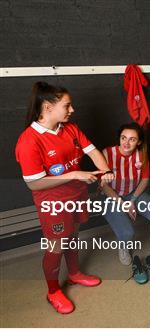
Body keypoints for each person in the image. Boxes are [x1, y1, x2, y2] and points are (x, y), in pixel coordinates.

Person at [15, 82, 115, 314]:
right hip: (53, 203)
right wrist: (75, 174)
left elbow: (92, 151)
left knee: (73, 235)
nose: (72, 110)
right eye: (67, 105)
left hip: (77, 195)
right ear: (48, 107)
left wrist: (106, 171)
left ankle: (74, 273)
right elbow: (34, 182)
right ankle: (52, 291)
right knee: (56, 246)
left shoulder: (69, 128)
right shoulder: (29, 140)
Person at [100, 123, 150, 282]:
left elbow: (145, 180)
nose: (126, 143)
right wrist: (122, 203)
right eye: (123, 138)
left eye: (132, 139)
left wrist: (132, 200)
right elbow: (104, 186)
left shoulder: (141, 155)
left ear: (138, 142)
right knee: (128, 233)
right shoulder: (107, 153)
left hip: (134, 194)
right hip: (111, 196)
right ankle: (123, 247)